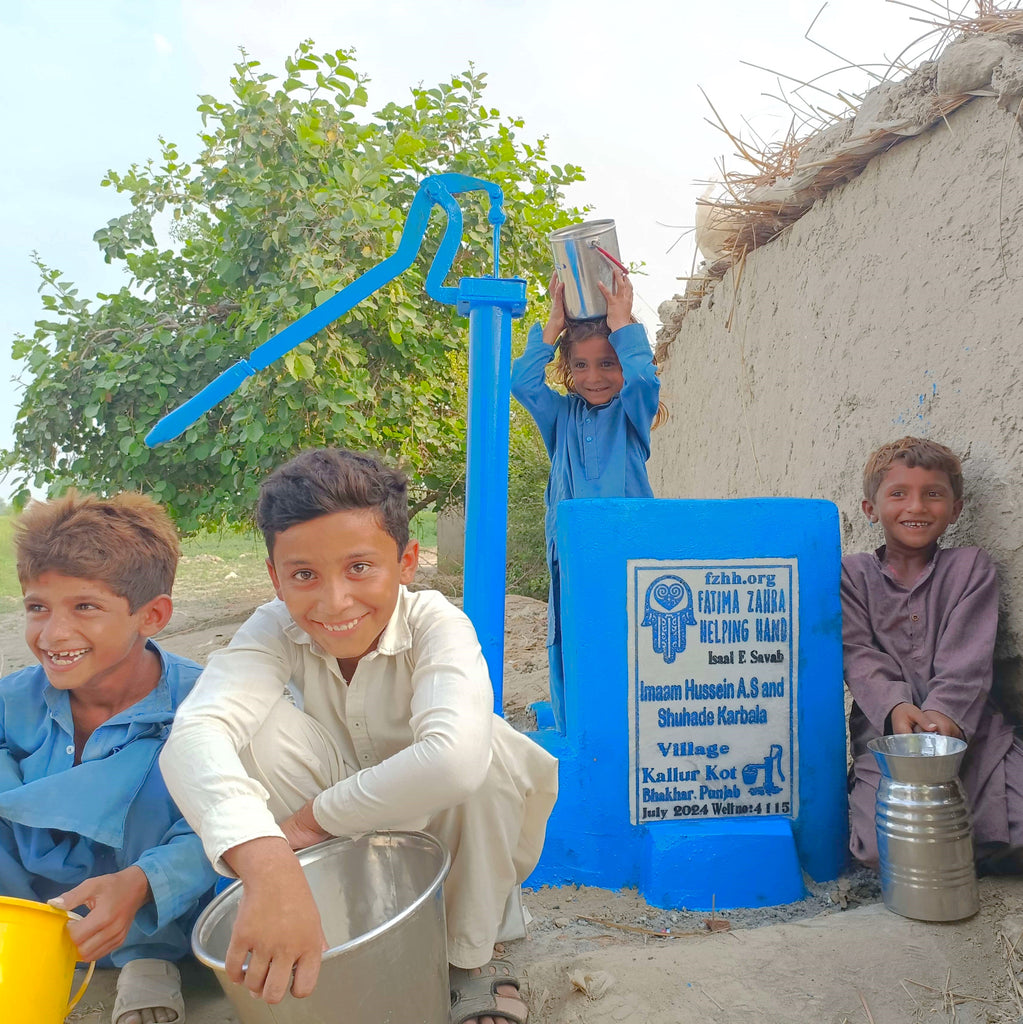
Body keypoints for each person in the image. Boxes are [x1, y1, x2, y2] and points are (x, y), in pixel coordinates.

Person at [159, 448, 558, 1024]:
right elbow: (195, 734)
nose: (334, 601)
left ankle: (474, 958)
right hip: (346, 855)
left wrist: (306, 822)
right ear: (275, 578)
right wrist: (268, 863)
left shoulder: (437, 623)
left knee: (485, 748)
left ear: (407, 561)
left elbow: (452, 764)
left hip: (445, 830)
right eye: (303, 576)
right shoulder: (272, 628)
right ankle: (330, 925)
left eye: (360, 568)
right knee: (252, 732)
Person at [1, 492, 217, 1024]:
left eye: (85, 607)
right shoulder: (15, 699)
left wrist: (142, 884)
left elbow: (229, 827)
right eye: (37, 608)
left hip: (155, 898)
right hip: (36, 905)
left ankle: (148, 957)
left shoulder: (205, 701)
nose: (53, 635)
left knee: (173, 769)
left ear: (153, 615)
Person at [842, 436, 1023, 872]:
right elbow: (858, 654)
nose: (917, 507)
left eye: (933, 494)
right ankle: (954, 851)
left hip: (970, 733)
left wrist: (944, 716)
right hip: (889, 741)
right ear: (871, 509)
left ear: (956, 509)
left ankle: (947, 853)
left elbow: (968, 657)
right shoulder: (853, 575)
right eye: (899, 494)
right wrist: (897, 706)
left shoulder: (970, 567)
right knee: (871, 847)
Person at [510, 266, 662, 733]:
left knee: (629, 643)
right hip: (571, 557)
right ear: (567, 371)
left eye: (607, 364)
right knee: (570, 638)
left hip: (629, 553)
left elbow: (643, 380)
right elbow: (522, 382)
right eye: (580, 365)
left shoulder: (632, 414)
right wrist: (552, 327)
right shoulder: (562, 417)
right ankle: (578, 725)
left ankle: (628, 728)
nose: (593, 377)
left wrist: (624, 326)